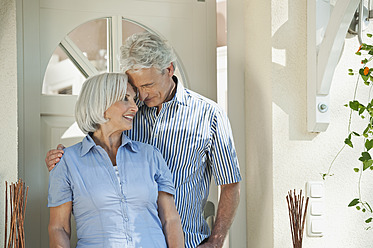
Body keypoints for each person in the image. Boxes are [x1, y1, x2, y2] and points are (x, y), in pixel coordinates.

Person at [46, 32, 241, 248]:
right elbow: (98, 142)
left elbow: (230, 184)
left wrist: (216, 241)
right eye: (135, 87)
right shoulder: (129, 113)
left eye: (147, 85)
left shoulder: (209, 114)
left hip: (188, 241)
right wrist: (61, 159)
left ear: (169, 70)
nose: (142, 96)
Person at [48, 73, 184, 248]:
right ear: (101, 103)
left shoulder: (151, 156)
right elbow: (59, 228)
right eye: (125, 99)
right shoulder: (67, 162)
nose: (135, 107)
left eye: (134, 100)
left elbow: (170, 219)